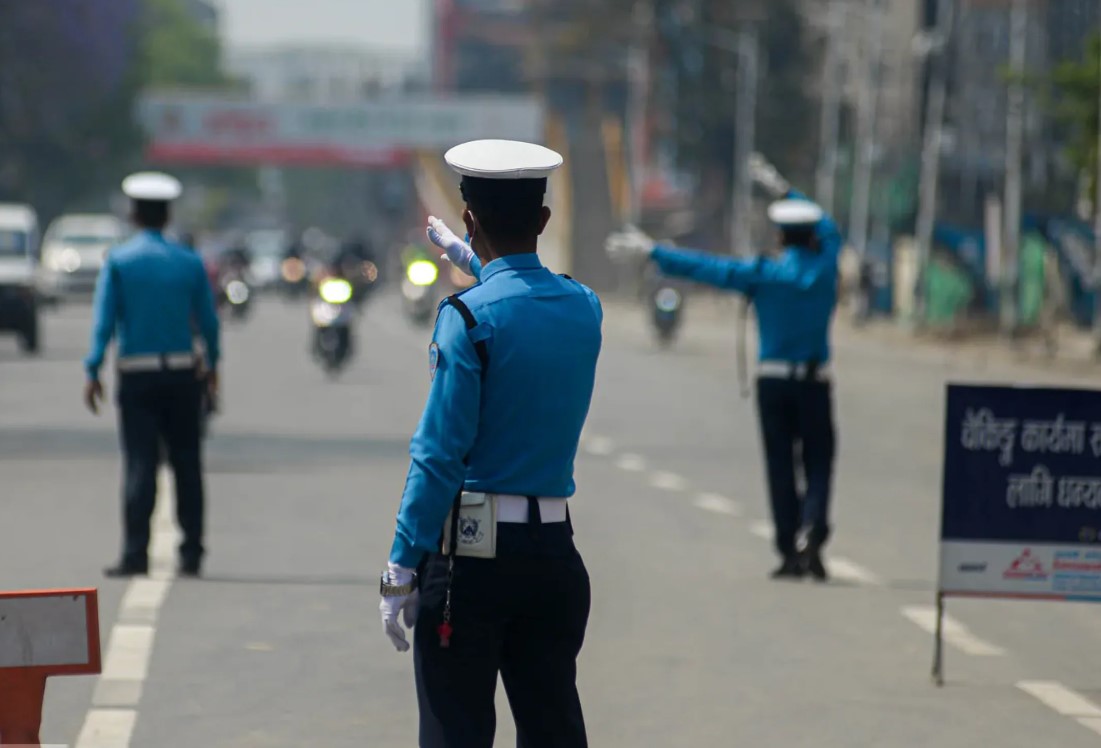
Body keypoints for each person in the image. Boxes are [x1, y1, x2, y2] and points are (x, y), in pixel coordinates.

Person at [378, 139, 603, 748]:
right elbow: (530, 297)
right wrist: (477, 260)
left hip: (471, 568)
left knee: (456, 732)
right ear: (544, 220)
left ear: (470, 218)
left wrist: (403, 561)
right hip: (555, 556)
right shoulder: (584, 308)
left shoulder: (467, 319)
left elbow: (438, 454)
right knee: (553, 729)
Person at [605, 155, 840, 582]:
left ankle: (789, 550)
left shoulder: (764, 273)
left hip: (773, 382)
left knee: (780, 466)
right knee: (819, 461)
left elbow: (710, 268)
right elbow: (830, 229)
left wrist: (654, 252)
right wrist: (787, 190)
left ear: (780, 234)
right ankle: (815, 529)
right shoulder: (826, 268)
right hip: (815, 382)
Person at [83, 171, 220, 578]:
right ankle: (192, 552)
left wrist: (92, 370)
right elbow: (209, 324)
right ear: (168, 214)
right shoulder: (190, 262)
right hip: (182, 374)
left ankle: (135, 554)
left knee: (140, 463)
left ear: (133, 214)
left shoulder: (120, 262)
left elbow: (103, 323)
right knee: (187, 464)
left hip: (137, 376)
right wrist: (212, 365)